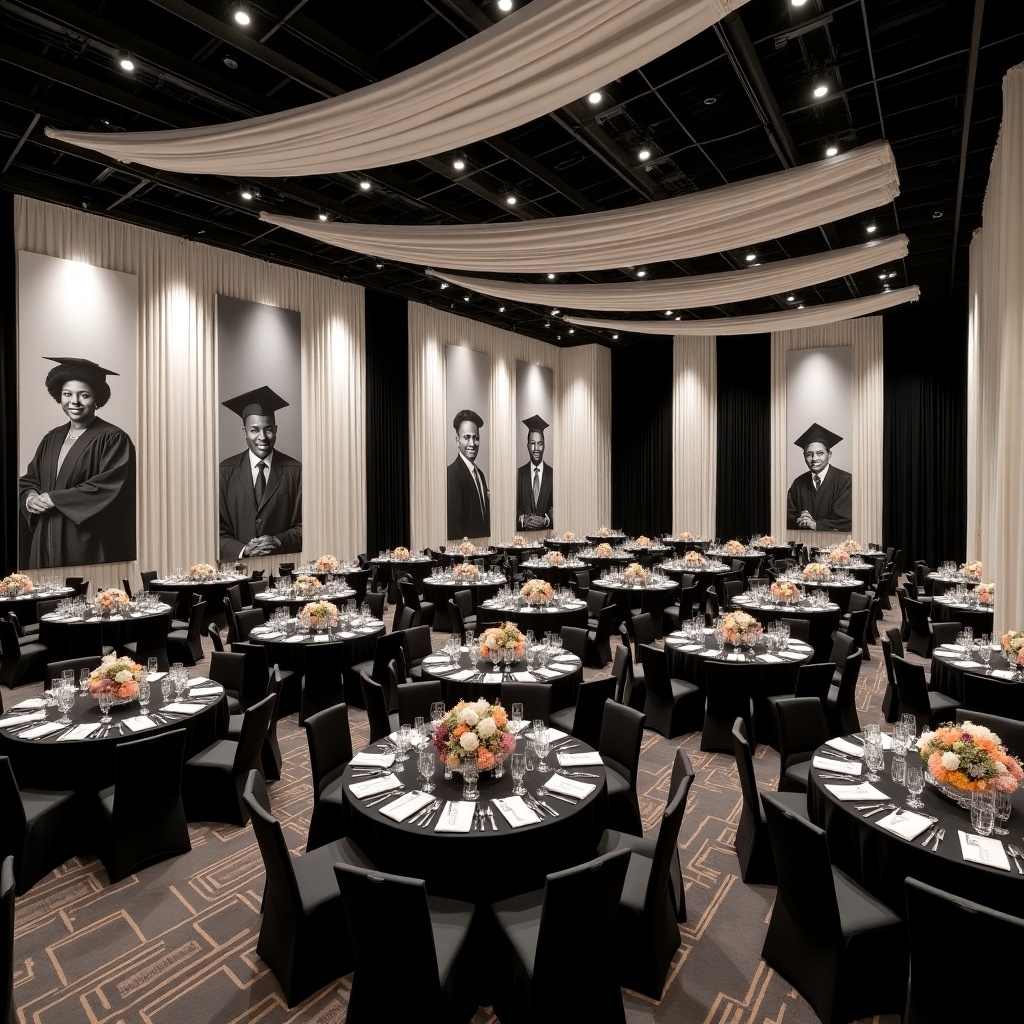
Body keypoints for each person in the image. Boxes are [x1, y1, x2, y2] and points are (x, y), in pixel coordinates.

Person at [19, 356, 136, 568]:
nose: (74, 401)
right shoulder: (51, 438)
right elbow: (31, 478)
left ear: (96, 399)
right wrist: (30, 497)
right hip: (46, 537)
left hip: (85, 540)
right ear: (59, 397)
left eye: (84, 395)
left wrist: (55, 499)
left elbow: (108, 487)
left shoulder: (113, 438)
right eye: (67, 394)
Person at [219, 386, 302, 559]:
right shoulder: (225, 472)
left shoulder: (295, 471)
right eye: (254, 430)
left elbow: (305, 526)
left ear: (276, 430)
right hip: (237, 572)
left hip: (283, 568)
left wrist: (278, 541)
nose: (262, 437)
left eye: (268, 429)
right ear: (245, 432)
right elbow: (216, 529)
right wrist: (244, 551)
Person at [786, 422, 853, 531]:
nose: (814, 459)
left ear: (829, 454)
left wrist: (815, 524)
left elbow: (845, 519)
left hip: (836, 545)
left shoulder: (845, 481)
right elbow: (788, 516)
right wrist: (800, 520)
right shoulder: (798, 483)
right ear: (804, 456)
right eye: (809, 454)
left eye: (820, 453)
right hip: (805, 544)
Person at [446, 408, 490, 539]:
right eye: (467, 437)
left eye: (476, 438)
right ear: (457, 440)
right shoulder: (452, 474)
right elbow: (454, 525)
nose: (472, 443)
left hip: (483, 551)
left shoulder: (480, 475)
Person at [516, 414, 553, 531]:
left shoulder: (553, 475)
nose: (536, 448)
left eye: (540, 444)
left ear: (544, 446)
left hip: (546, 539)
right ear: (527, 446)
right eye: (532, 443)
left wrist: (547, 520)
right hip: (522, 540)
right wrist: (523, 520)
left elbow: (560, 508)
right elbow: (513, 507)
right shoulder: (519, 474)